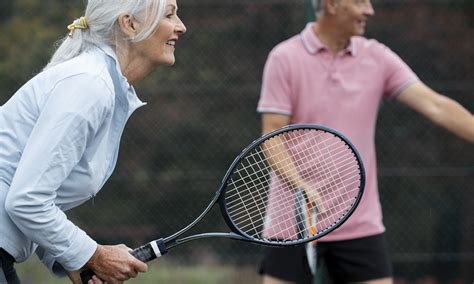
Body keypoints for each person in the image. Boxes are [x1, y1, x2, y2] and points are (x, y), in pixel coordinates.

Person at [257, 0, 474, 283]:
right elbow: (272, 137)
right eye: (360, 1)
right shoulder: (284, 57)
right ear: (332, 4)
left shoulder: (378, 57)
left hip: (360, 221)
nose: (369, 10)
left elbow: (435, 105)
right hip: (293, 221)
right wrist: (301, 186)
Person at [0, 0, 186, 283]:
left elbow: (27, 190)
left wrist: (75, 259)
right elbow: (27, 201)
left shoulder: (101, 84)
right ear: (129, 24)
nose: (181, 26)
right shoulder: (90, 85)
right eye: (169, 14)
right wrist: (93, 254)